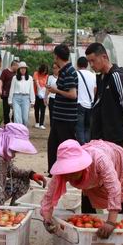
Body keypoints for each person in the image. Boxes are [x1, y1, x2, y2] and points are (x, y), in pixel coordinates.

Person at [40, 139, 123, 239]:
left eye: (73, 170)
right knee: (88, 204)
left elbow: (114, 188)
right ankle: (87, 237)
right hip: (93, 180)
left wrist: (110, 222)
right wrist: (47, 217)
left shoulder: (100, 160)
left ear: (82, 165)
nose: (69, 176)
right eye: (67, 171)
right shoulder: (62, 173)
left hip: (115, 162)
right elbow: (50, 194)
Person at [85, 42, 123, 148]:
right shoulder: (101, 78)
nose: (91, 65)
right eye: (89, 62)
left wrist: (121, 124)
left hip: (112, 139)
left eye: (93, 60)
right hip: (99, 137)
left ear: (104, 57)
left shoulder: (116, 76)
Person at [46, 44, 78, 174]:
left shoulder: (70, 71)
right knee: (53, 145)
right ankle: (54, 172)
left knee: (66, 148)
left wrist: (56, 90)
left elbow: (72, 94)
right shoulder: (64, 71)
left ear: (57, 56)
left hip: (66, 118)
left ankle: (68, 172)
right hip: (60, 117)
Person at [75, 56, 96, 144]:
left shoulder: (76, 74)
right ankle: (87, 146)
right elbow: (95, 89)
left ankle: (82, 148)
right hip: (90, 105)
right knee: (87, 128)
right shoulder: (93, 75)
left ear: (77, 65)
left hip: (79, 104)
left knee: (79, 128)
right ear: (87, 65)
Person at [8, 61, 35, 126]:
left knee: (25, 118)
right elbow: (11, 89)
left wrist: (33, 101)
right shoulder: (15, 78)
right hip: (16, 98)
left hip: (26, 99)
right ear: (19, 69)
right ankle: (18, 134)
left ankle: (23, 132)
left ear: (26, 69)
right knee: (17, 118)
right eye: (21, 68)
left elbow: (32, 90)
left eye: (24, 68)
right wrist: (10, 100)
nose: (23, 69)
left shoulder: (30, 78)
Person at [0, 60, 18, 125]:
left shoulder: (16, 73)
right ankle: (6, 124)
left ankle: (13, 122)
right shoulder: (5, 72)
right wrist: (0, 89)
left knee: (15, 110)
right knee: (6, 110)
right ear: (14, 65)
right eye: (17, 66)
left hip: (14, 95)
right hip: (6, 94)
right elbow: (1, 80)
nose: (18, 68)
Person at [33, 64, 49, 129]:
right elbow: (36, 82)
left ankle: (41, 123)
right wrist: (39, 88)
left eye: (45, 71)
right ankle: (37, 122)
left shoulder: (47, 76)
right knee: (36, 108)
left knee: (43, 109)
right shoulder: (36, 73)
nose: (44, 72)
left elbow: (47, 84)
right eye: (43, 70)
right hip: (36, 94)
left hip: (44, 94)